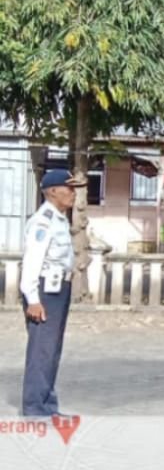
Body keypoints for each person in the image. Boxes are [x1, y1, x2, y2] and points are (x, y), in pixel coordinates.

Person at [19, 170, 86, 417]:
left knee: (52, 350)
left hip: (58, 289)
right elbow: (32, 263)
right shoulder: (43, 222)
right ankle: (35, 408)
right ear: (53, 191)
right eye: (69, 188)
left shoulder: (59, 219)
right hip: (44, 290)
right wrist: (33, 300)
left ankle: (47, 405)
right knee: (42, 350)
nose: (73, 193)